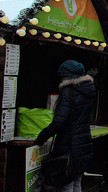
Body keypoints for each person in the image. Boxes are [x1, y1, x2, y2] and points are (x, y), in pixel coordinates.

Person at [34, 60, 96, 192]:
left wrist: (42, 137)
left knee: (66, 184)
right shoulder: (88, 90)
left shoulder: (68, 91)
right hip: (83, 144)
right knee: (77, 183)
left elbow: (59, 121)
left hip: (68, 145)